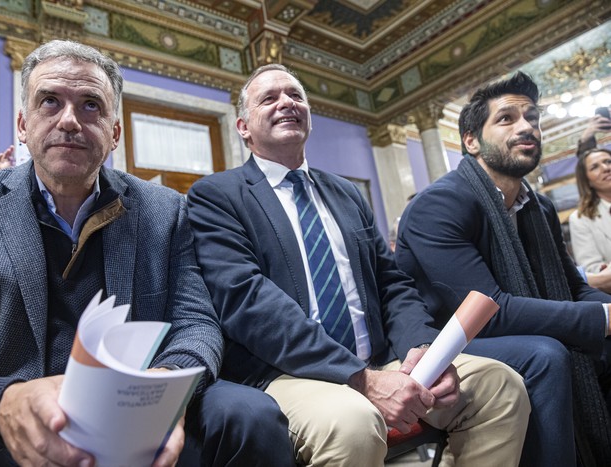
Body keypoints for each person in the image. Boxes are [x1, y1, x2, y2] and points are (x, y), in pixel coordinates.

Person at [0, 40, 293, 467]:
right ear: (23, 123)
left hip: (138, 410)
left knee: (252, 415)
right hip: (11, 418)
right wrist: (1, 405)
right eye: (50, 102)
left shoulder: (166, 210)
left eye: (91, 105)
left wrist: (161, 391)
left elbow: (195, 321)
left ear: (114, 133)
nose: (70, 121)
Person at [187, 64, 530, 466]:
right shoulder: (216, 195)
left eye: (296, 95)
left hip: (383, 360)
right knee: (353, 423)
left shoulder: (345, 193)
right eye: (270, 98)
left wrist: (421, 351)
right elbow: (247, 302)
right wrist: (361, 379)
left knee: (499, 385)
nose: (287, 103)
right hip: (289, 374)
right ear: (244, 127)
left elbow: (392, 284)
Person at [395, 71, 611, 466]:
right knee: (545, 354)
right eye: (507, 118)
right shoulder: (438, 205)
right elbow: (490, 311)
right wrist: (603, 318)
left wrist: (605, 312)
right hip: (445, 345)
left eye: (533, 117)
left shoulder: (539, 206)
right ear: (471, 141)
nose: (527, 127)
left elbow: (572, 286)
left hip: (505, 328)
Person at [570, 148, 611, 293]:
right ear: (588, 181)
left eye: (608, 161)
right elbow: (594, 272)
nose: (606, 168)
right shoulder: (581, 219)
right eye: (595, 167)